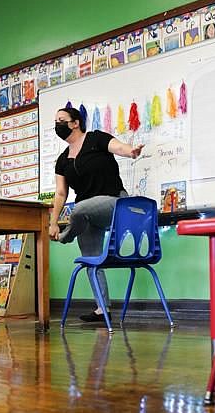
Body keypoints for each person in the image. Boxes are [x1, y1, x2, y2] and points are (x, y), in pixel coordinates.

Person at [49, 107, 144, 323]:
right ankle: (103, 309)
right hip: (89, 213)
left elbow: (118, 147)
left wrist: (131, 151)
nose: (58, 124)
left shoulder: (95, 138)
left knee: (79, 209)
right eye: (56, 121)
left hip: (114, 203)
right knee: (92, 260)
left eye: (62, 120)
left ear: (75, 123)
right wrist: (53, 223)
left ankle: (67, 236)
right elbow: (61, 193)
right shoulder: (62, 160)